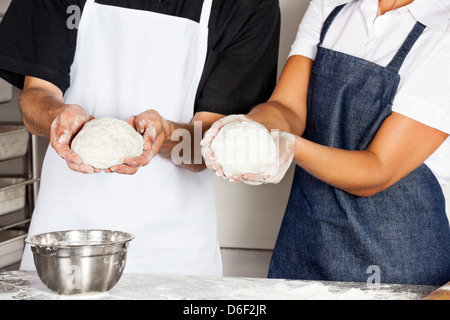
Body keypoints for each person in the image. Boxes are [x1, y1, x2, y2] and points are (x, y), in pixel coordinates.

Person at [0, 0, 280, 276]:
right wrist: (59, 118)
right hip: (67, 237)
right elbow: (35, 98)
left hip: (174, 251)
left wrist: (166, 135)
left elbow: (207, 149)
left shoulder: (246, 6)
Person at [202, 0, 450, 285]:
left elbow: (377, 171)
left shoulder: (443, 30)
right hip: (306, 247)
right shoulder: (331, 6)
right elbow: (287, 107)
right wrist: (251, 127)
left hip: (397, 265)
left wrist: (289, 146)